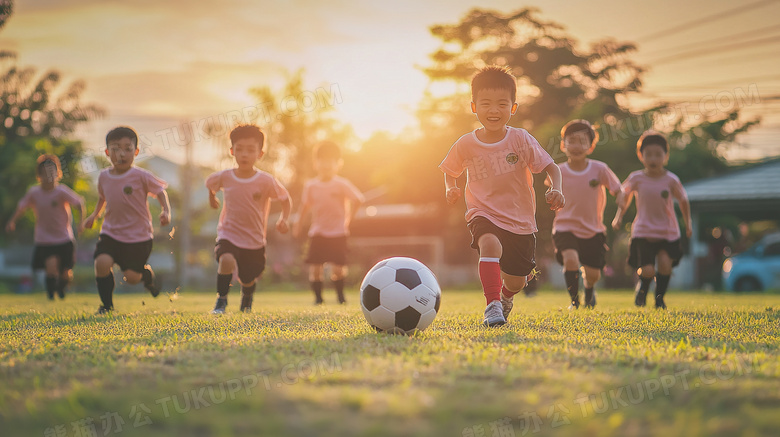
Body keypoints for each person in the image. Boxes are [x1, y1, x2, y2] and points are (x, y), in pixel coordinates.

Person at [439, 65, 565, 327]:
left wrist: (556, 188)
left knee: (517, 281)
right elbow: (449, 170)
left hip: (520, 220)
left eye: (501, 104)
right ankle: (492, 305)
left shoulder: (520, 139)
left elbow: (550, 166)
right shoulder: (465, 143)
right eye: (486, 104)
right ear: (474, 107)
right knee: (489, 244)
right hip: (482, 212)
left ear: (513, 108)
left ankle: (506, 296)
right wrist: (450, 187)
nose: (493, 111)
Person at [84, 126, 171, 313]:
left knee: (132, 277)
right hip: (111, 233)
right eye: (115, 149)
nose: (121, 154)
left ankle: (147, 278)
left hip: (138, 237)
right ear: (107, 152)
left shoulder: (141, 176)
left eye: (127, 148)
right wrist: (94, 215)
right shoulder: (104, 177)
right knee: (101, 263)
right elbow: (102, 197)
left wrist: (166, 211)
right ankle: (106, 306)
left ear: (136, 152)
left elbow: (160, 192)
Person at [206, 124, 291, 314]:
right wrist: (212, 199)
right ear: (232, 151)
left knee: (247, 277)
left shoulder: (266, 181)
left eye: (250, 150)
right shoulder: (225, 177)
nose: (244, 154)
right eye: (239, 149)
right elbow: (211, 185)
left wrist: (284, 219)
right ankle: (221, 300)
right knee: (226, 259)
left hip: (254, 239)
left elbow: (285, 199)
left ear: (260, 153)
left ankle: (247, 296)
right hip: (228, 233)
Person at [612, 130, 692, 309]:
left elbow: (684, 200)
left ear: (666, 156)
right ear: (641, 156)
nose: (653, 159)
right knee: (647, 270)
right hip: (643, 231)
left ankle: (659, 298)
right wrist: (618, 216)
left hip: (667, 232)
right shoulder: (637, 177)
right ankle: (642, 289)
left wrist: (688, 224)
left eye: (658, 154)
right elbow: (624, 195)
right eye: (648, 154)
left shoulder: (671, 180)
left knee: (665, 266)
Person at [552, 120, 621, 309]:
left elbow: (617, 189)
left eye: (582, 141)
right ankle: (574, 301)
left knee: (593, 274)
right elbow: (551, 192)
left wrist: (620, 206)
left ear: (590, 146)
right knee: (571, 259)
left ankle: (590, 289)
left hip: (593, 229)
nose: (576, 146)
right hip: (565, 226)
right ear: (563, 144)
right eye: (571, 140)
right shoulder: (558, 171)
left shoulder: (600, 169)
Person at [5, 154, 86, 300]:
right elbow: (22, 207)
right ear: (39, 175)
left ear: (58, 173)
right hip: (45, 238)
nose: (49, 176)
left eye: (52, 172)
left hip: (64, 237)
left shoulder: (61, 191)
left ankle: (62, 286)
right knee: (51, 267)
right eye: (45, 172)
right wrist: (12, 221)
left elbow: (79, 203)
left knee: (65, 271)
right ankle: (50, 295)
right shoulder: (34, 193)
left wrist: (81, 223)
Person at [293, 141, 364, 305]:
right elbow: (304, 206)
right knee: (315, 267)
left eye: (330, 161)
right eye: (322, 160)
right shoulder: (311, 186)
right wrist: (298, 223)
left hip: (338, 232)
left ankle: (340, 296)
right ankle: (318, 299)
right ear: (315, 163)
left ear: (338, 164)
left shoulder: (341, 184)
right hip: (317, 232)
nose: (326, 164)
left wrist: (349, 219)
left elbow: (358, 199)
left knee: (338, 268)